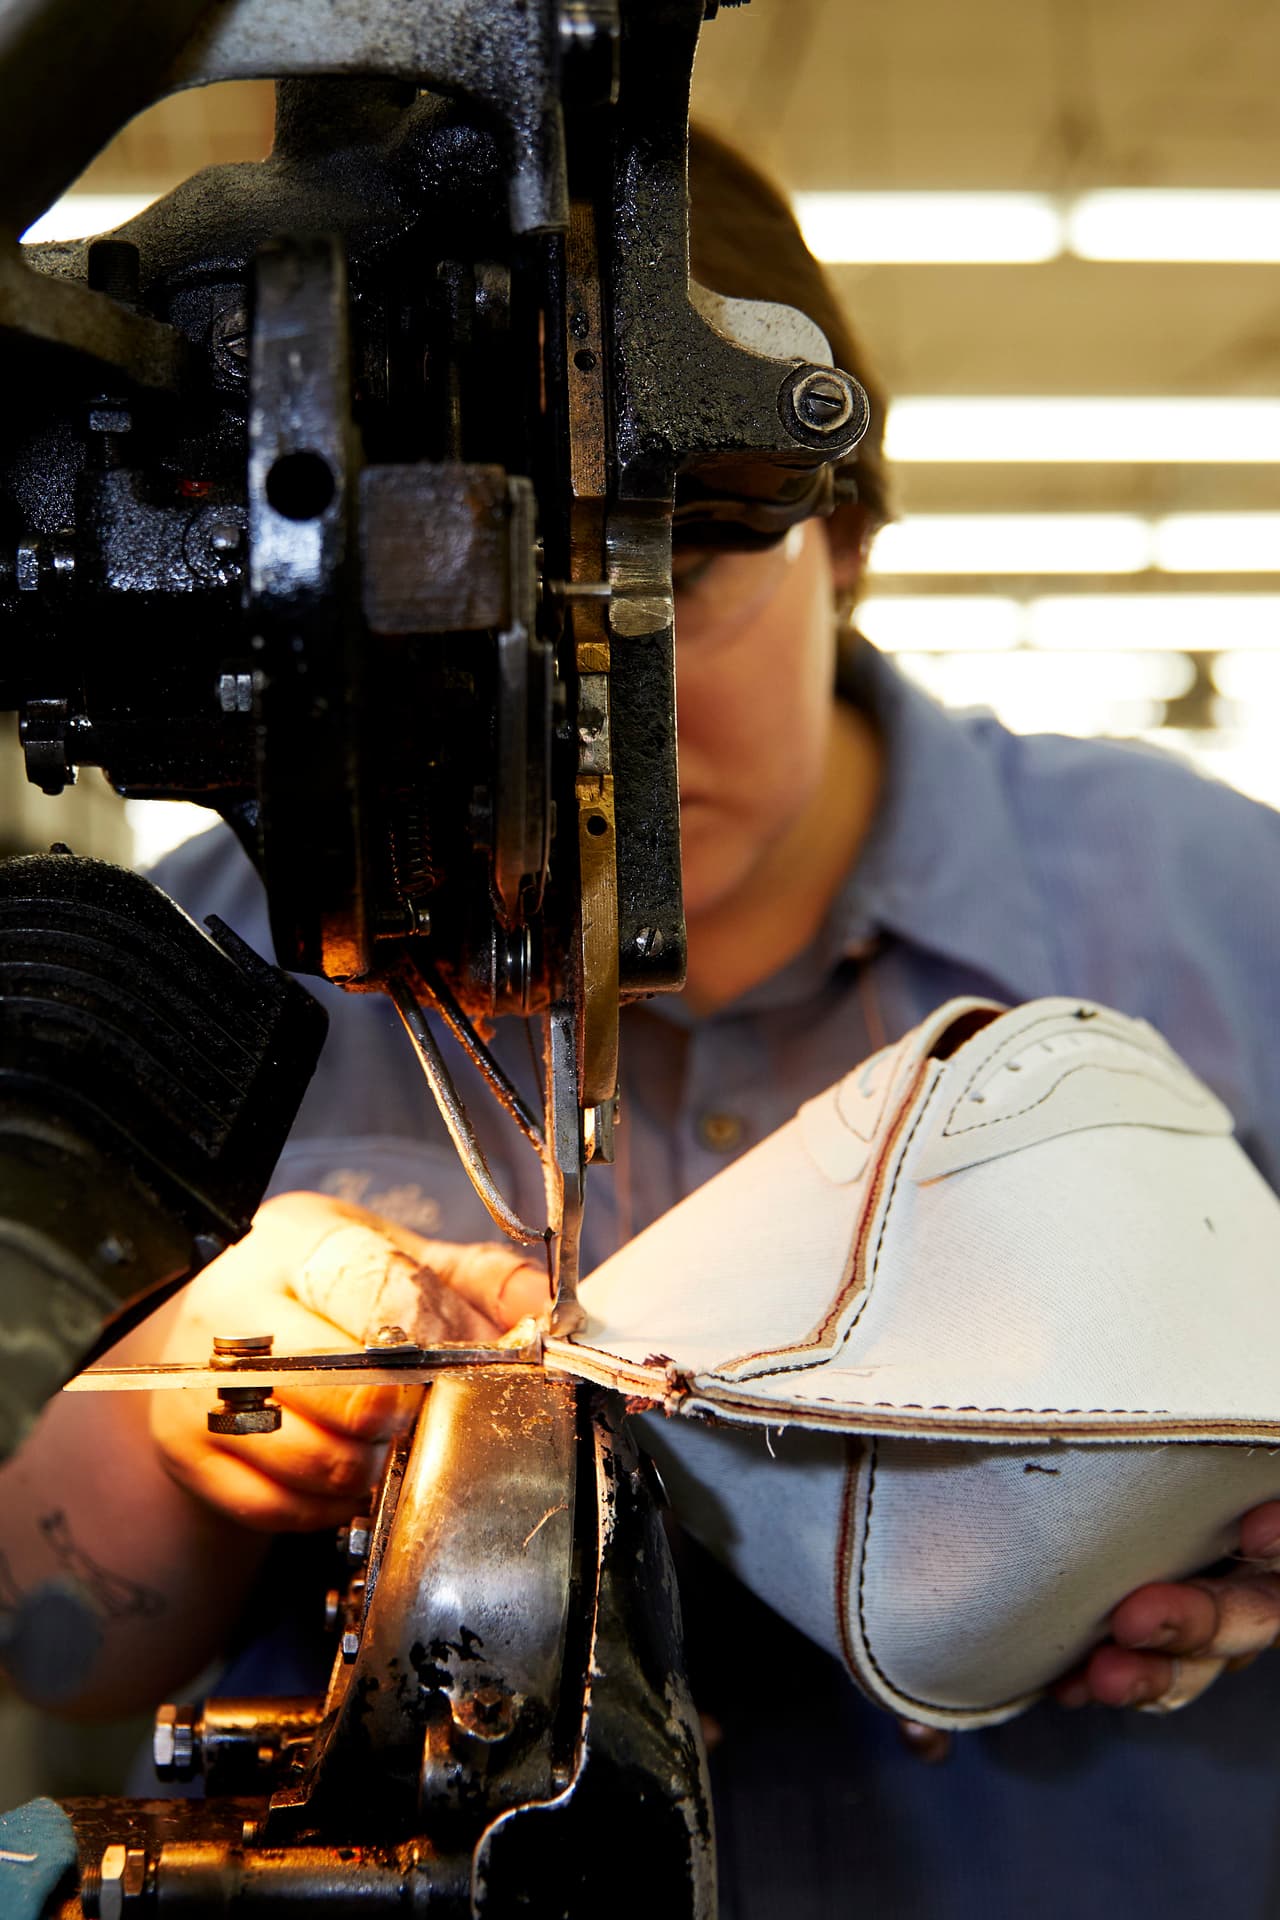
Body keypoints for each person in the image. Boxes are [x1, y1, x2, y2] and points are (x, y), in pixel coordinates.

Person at [6, 127, 1280, 1916]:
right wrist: (201, 1421)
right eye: (466, 638)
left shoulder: (1219, 912)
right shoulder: (204, 966)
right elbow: (53, 1636)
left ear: (848, 539)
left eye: (673, 587)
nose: (596, 719)